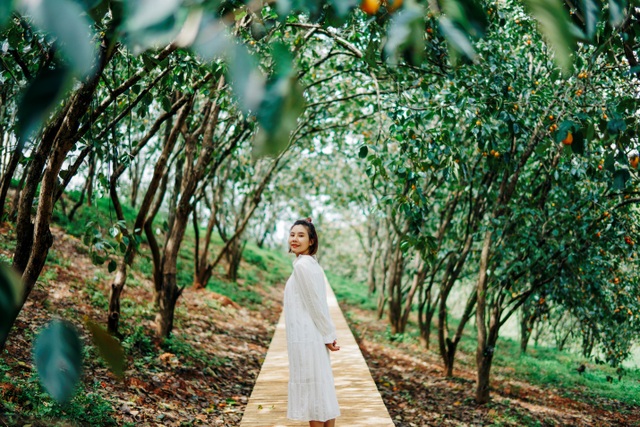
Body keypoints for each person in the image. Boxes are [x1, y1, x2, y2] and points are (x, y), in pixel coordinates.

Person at [284, 218, 340, 427]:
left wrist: (328, 335)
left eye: (301, 235)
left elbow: (316, 304)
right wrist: (328, 334)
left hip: (306, 337)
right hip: (313, 335)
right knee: (321, 388)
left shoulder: (302, 267)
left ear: (311, 240)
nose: (295, 239)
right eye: (292, 234)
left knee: (312, 391)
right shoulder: (311, 264)